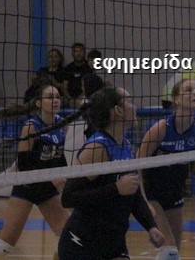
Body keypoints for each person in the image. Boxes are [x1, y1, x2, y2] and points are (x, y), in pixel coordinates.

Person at [57, 86, 166, 259]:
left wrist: (151, 226)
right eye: (129, 101)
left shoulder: (126, 146)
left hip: (113, 241)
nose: (134, 106)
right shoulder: (97, 148)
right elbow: (68, 198)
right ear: (118, 110)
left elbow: (133, 193)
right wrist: (116, 189)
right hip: (82, 243)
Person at [138, 78, 195, 260]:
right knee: (170, 252)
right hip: (152, 194)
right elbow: (136, 166)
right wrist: (142, 202)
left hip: (174, 193)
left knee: (174, 253)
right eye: (189, 90)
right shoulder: (161, 128)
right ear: (176, 99)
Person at [0, 83, 69, 260]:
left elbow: (59, 156)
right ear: (38, 103)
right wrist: (50, 176)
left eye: (58, 97)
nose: (55, 101)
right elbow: (24, 164)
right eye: (50, 97)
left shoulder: (62, 124)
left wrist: (64, 175)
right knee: (4, 246)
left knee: (67, 238)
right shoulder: (31, 126)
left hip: (47, 189)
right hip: (27, 188)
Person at [63, 42, 92, 108]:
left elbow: (90, 87)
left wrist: (80, 98)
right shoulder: (68, 68)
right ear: (72, 53)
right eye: (76, 51)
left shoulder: (89, 67)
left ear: (84, 53)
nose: (78, 54)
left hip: (85, 97)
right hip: (69, 98)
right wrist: (70, 99)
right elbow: (64, 87)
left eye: (80, 51)